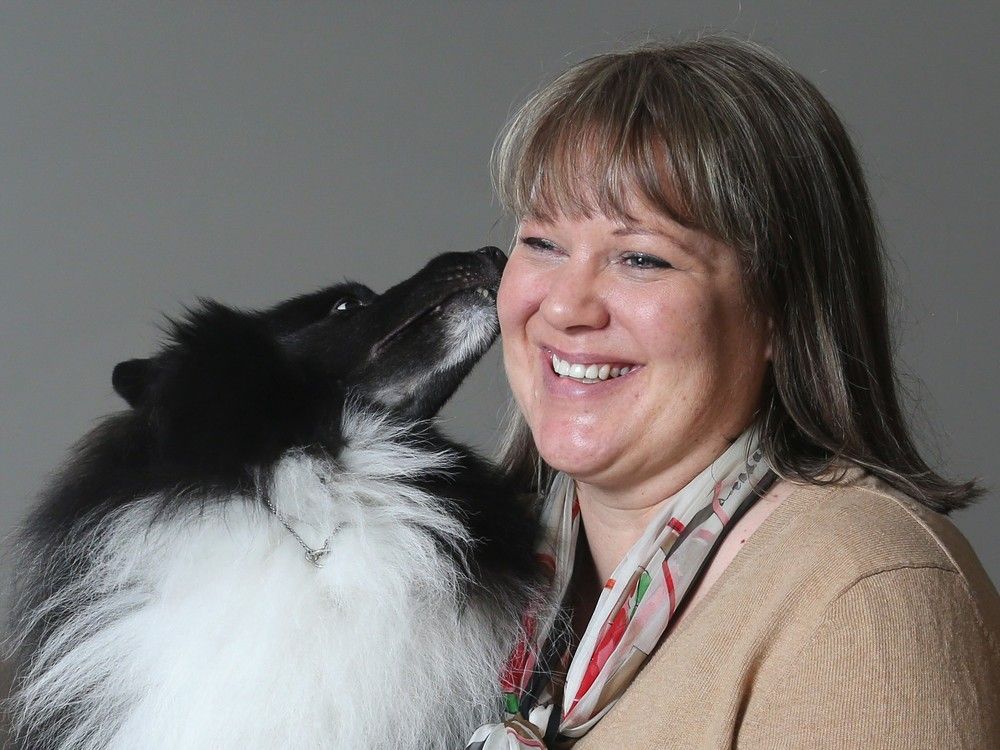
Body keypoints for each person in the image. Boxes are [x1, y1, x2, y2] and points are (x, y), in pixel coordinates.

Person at [466, 36, 1000, 749]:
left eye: (641, 257)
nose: (565, 307)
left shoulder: (862, 594)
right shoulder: (463, 586)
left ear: (781, 307)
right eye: (543, 243)